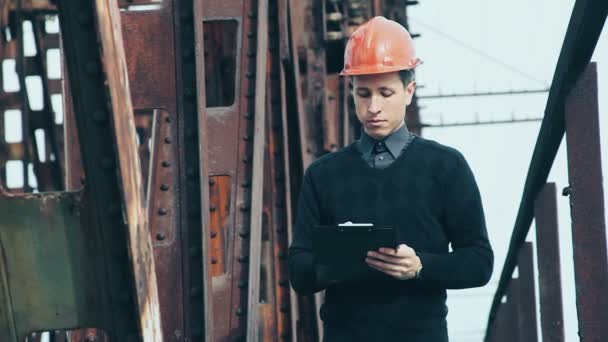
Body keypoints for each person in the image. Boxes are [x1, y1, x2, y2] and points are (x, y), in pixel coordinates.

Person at [288, 16, 494, 342]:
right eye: (363, 94)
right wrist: (339, 261)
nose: (373, 107)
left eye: (385, 93)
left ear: (409, 91)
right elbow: (299, 270)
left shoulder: (445, 167)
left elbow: (479, 263)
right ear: (351, 92)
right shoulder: (322, 175)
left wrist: (420, 266)